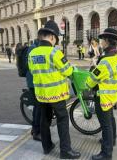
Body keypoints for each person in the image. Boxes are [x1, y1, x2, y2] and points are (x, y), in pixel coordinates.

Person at [28, 20, 81, 159]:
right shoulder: (54, 53)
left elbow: (33, 72)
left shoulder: (32, 53)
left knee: (44, 120)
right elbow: (68, 70)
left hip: (41, 95)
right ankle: (65, 151)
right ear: (52, 37)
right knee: (62, 120)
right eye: (56, 39)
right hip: (57, 95)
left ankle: (47, 146)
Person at [86, 28, 117, 160]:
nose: (101, 42)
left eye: (102, 40)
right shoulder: (116, 56)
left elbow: (91, 81)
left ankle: (106, 153)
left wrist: (93, 71)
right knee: (110, 119)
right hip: (112, 95)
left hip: (102, 97)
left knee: (105, 125)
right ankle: (111, 142)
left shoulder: (105, 61)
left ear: (107, 41)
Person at [26, 39, 41, 141]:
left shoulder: (35, 47)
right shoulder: (33, 49)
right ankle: (36, 132)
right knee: (38, 108)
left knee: (38, 107)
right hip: (33, 82)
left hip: (35, 81)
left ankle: (34, 129)